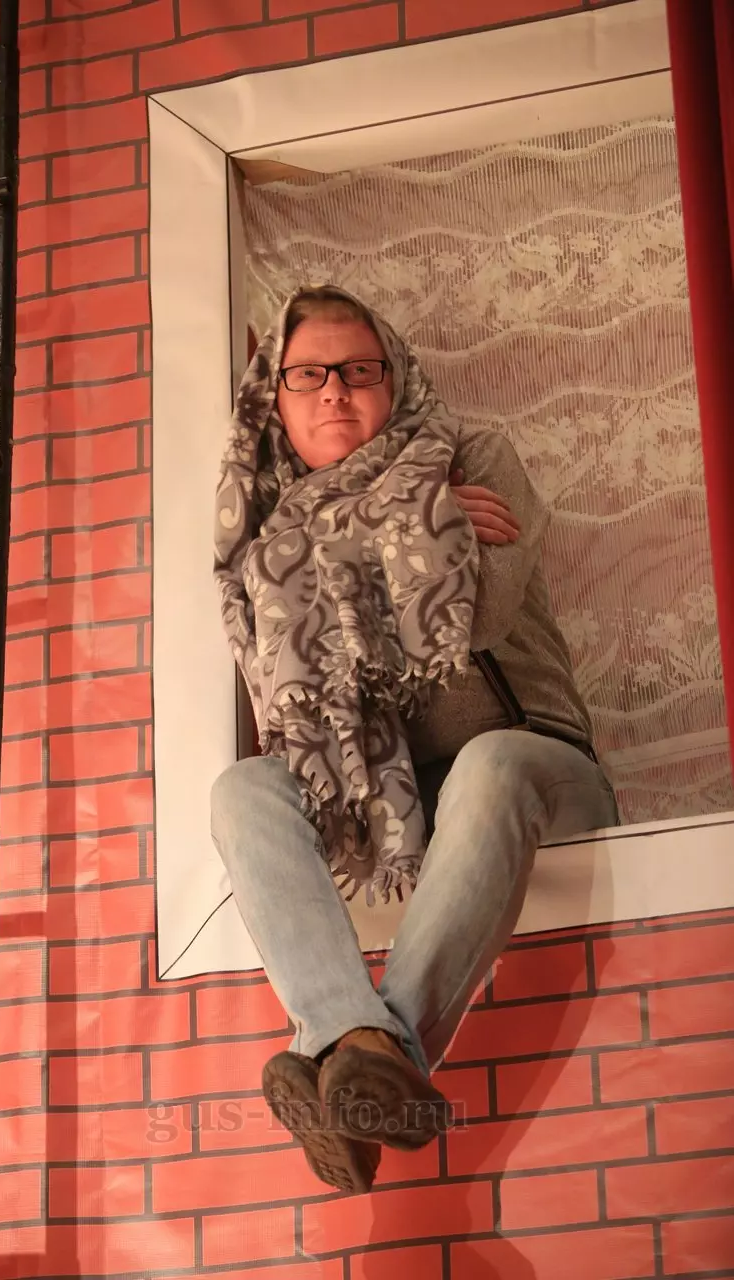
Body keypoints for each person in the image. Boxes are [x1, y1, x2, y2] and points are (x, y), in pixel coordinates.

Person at [211, 286, 618, 1196]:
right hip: (398, 815)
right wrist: (402, 528)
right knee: (242, 790)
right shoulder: (262, 538)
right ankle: (360, 1053)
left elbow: (479, 620)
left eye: (359, 369)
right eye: (307, 374)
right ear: (273, 397)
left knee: (486, 761)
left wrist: (361, 543)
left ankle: (351, 1052)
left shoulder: (470, 456)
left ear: (394, 379)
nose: (334, 390)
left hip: (537, 772)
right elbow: (282, 707)